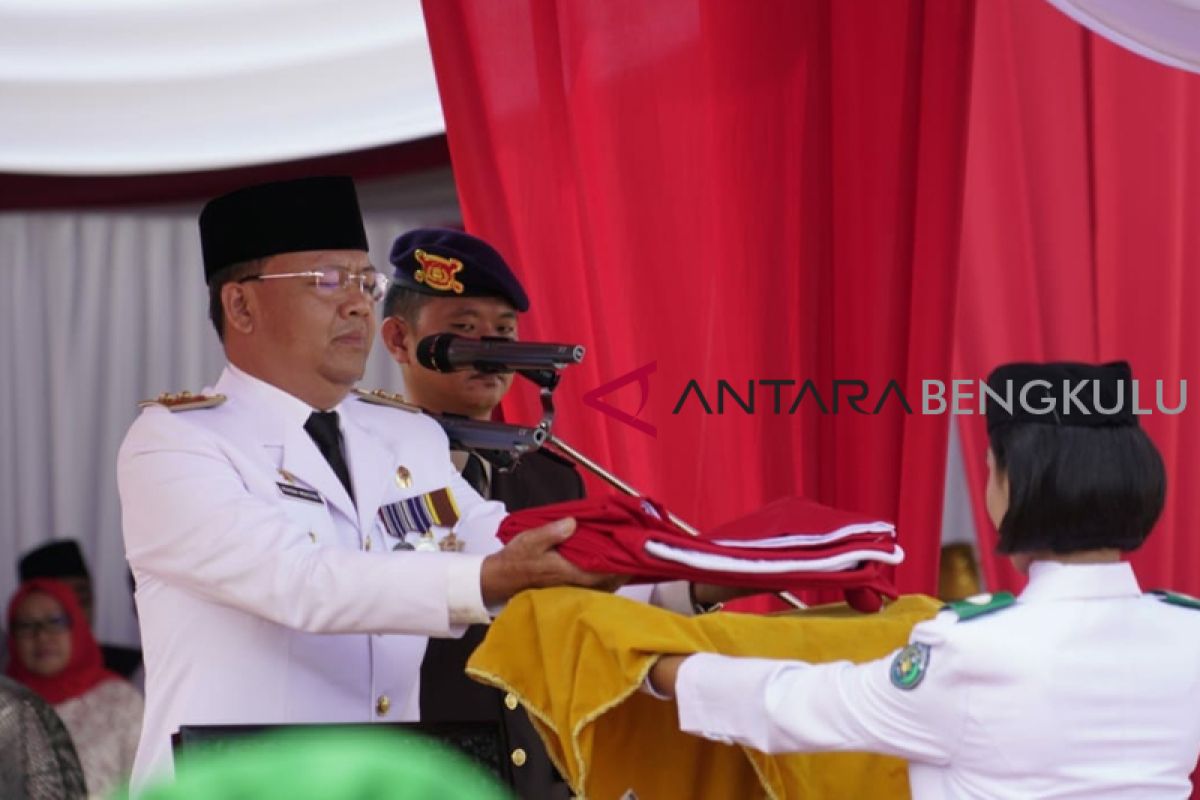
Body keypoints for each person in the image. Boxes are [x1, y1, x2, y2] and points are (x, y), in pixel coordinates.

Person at [117, 176, 625, 788]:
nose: (358, 303)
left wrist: (671, 580)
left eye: (365, 282)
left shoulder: (405, 436)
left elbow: (504, 539)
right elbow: (299, 584)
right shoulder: (176, 443)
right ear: (241, 306)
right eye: (328, 280)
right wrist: (492, 578)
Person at [647, 361, 1200, 798]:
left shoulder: (975, 649)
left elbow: (796, 707)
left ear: (1017, 486)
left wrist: (654, 668)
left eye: (991, 468)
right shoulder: (1188, 634)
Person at [380, 228, 593, 798]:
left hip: (536, 773)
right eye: (466, 330)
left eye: (503, 332)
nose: (490, 349)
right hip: (421, 772)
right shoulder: (367, 466)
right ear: (400, 340)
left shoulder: (553, 473)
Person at [7, 578, 142, 798]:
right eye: (26, 625)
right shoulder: (6, 705)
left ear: (77, 626)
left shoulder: (120, 701)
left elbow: (151, 786)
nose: (41, 636)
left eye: (55, 621)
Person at [18, 539, 144, 682]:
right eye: (64, 603)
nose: (76, 611)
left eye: (82, 599)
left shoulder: (130, 671)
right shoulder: (9, 687)